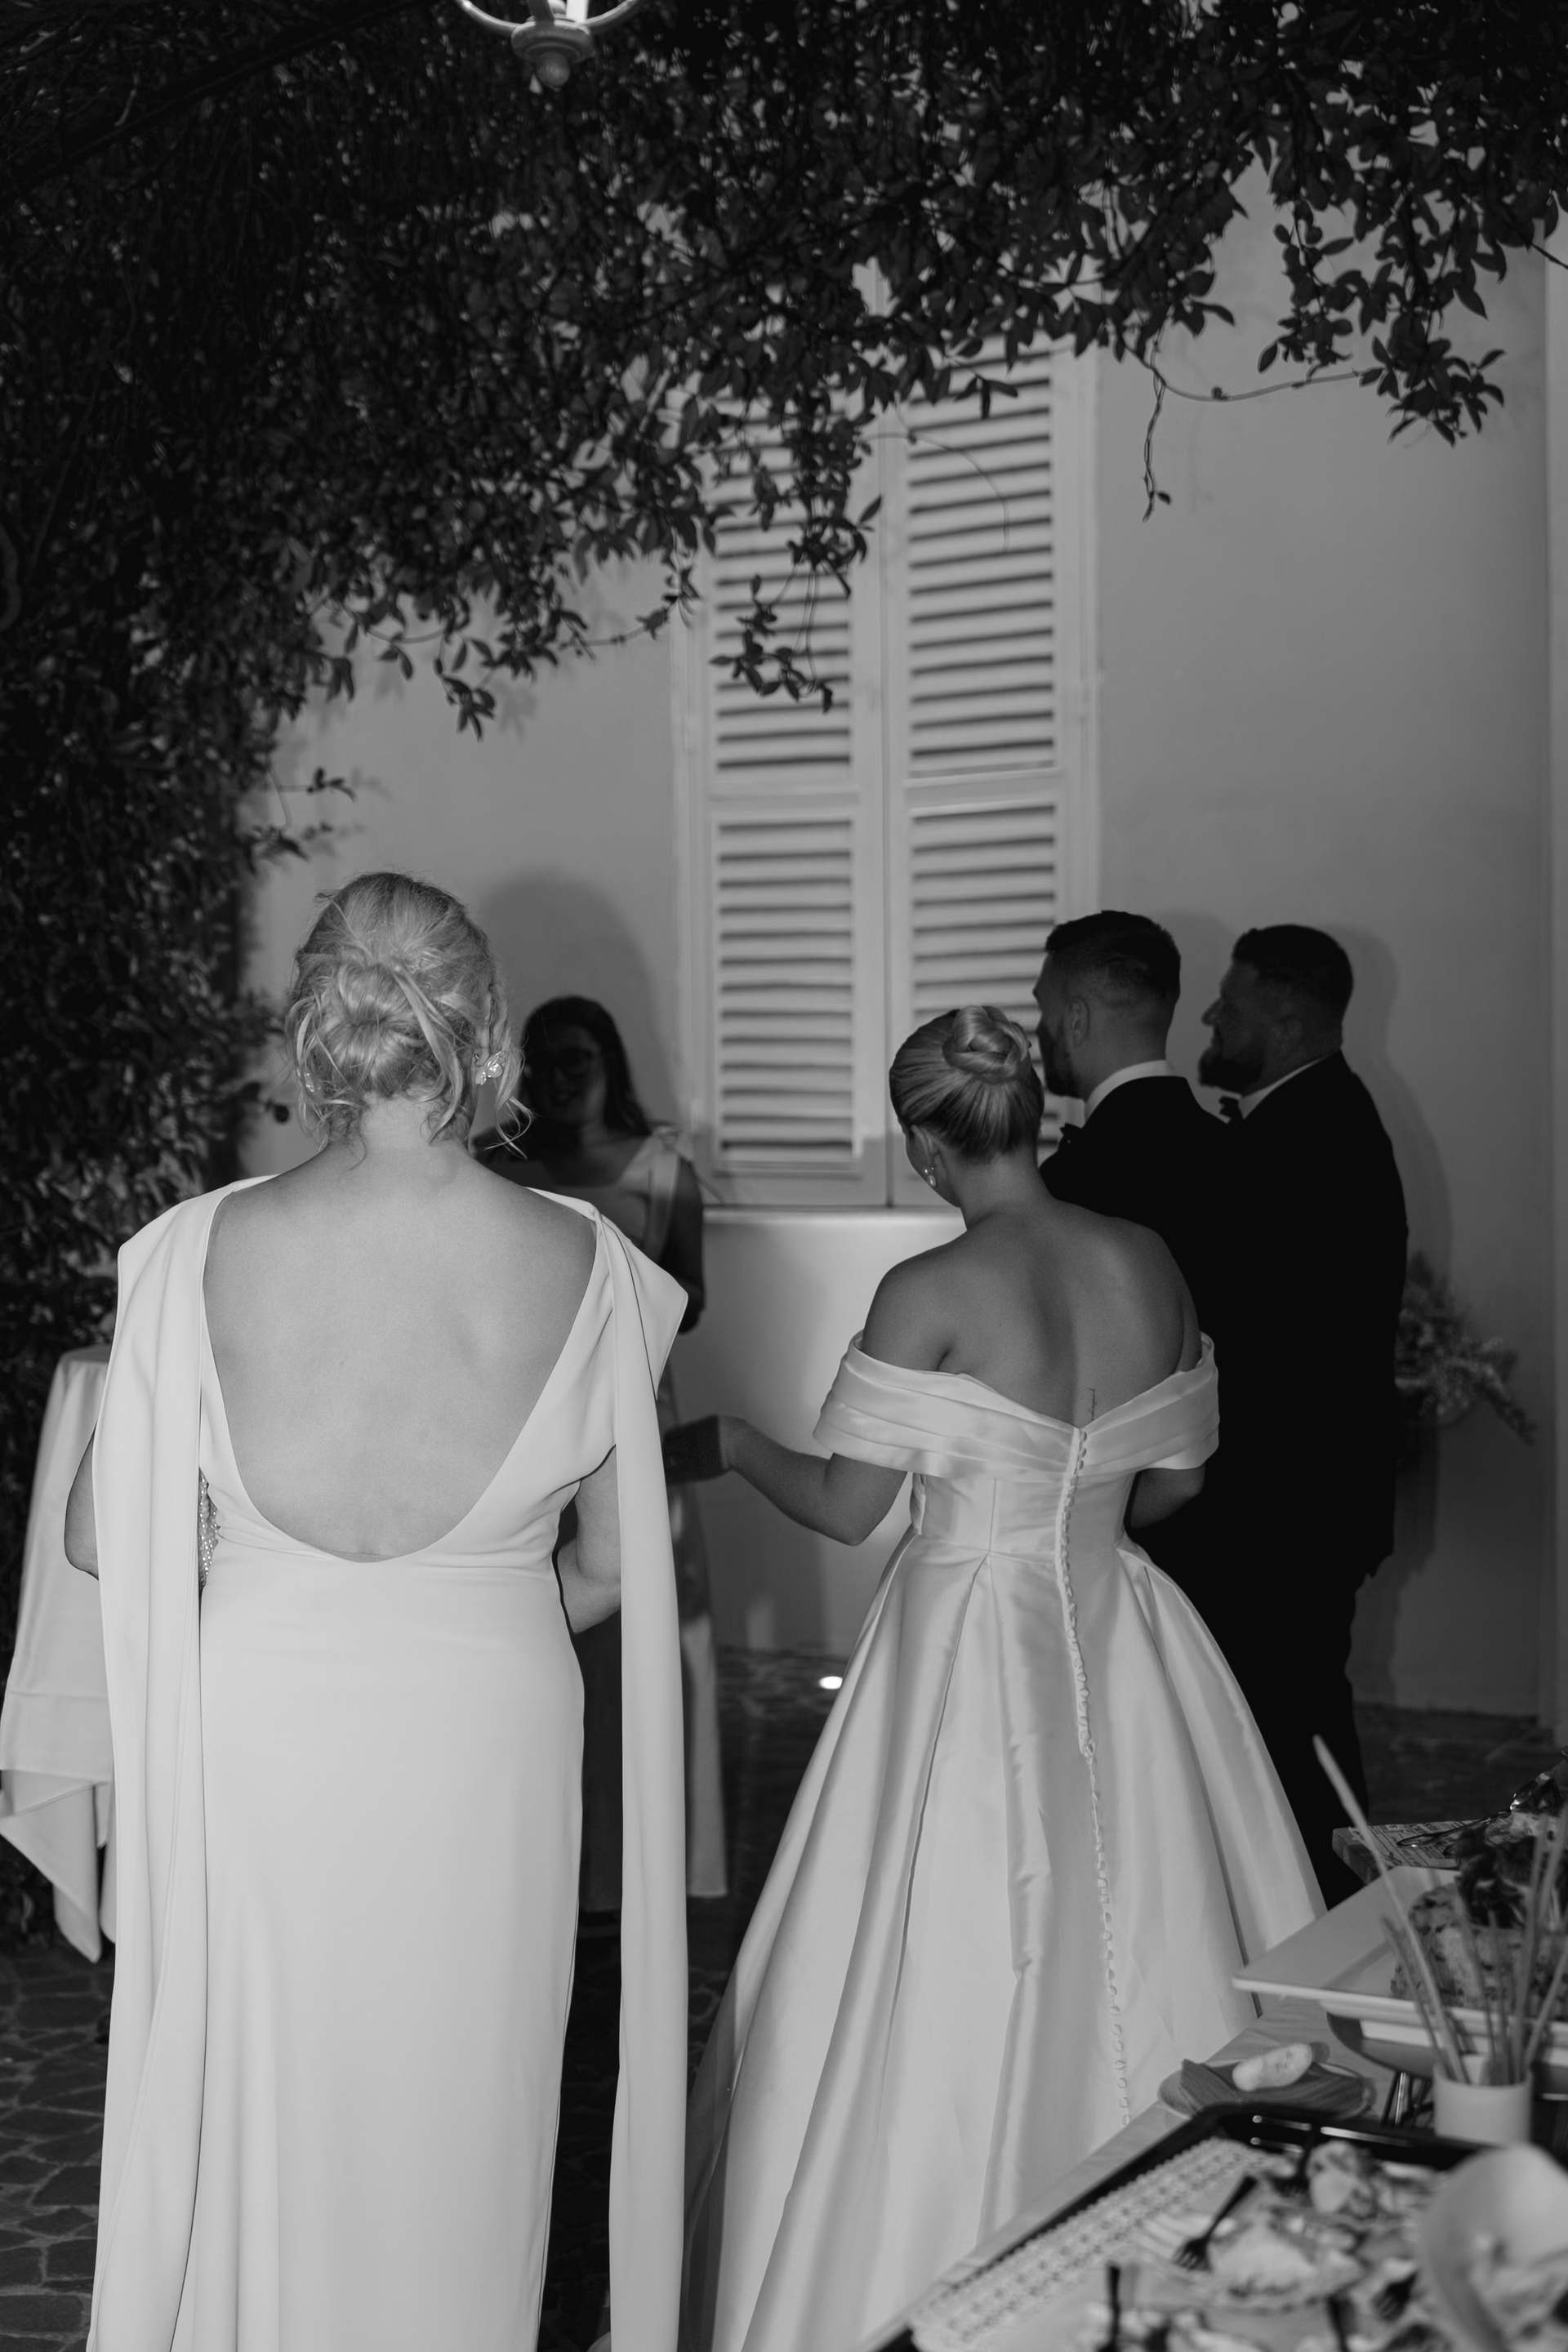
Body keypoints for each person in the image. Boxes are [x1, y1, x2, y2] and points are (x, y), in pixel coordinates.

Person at [63, 873, 689, 2352]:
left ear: (314, 1027)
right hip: (486, 1726)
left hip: (259, 1719)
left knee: (260, 2089)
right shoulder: (591, 1262)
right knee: (462, 2099)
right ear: (484, 1029)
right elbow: (617, 1561)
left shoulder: (193, 1248)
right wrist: (475, 1611)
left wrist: (266, 1571)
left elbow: (102, 1540)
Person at [679, 1007, 1320, 2352]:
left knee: (948, 1936)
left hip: (968, 1631)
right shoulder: (1147, 1260)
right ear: (1034, 1113)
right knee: (1157, 1909)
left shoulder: (930, 1290)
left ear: (927, 1145)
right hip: (1123, 1617)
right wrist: (1082, 1522)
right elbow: (1179, 1481)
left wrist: (734, 1442)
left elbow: (847, 1507)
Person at [474, 996, 726, 1909]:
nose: (558, 1078)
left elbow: (693, 1298)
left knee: (648, 1612)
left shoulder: (662, 1167)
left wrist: (617, 1289)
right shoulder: (493, 1160)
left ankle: (647, 1863)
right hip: (525, 1413)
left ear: (611, 1062)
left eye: (576, 1059)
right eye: (542, 1061)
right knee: (540, 1615)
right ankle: (545, 1862)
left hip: (632, 1410)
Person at [1198, 924, 1408, 1904]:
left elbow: (1268, 1342)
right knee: (1292, 1729)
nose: (1211, 1016)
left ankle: (1330, 1921)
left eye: (1230, 1003)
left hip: (1287, 1509)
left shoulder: (1311, 1138)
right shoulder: (1313, 1118)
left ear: (1284, 1018)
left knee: (1295, 1740)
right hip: (1302, 1501)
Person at [1033, 911, 1229, 1338]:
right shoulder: (1239, 1148)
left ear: (1076, 1020)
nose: (1038, 1031)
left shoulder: (1072, 1181)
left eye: (1044, 1010)